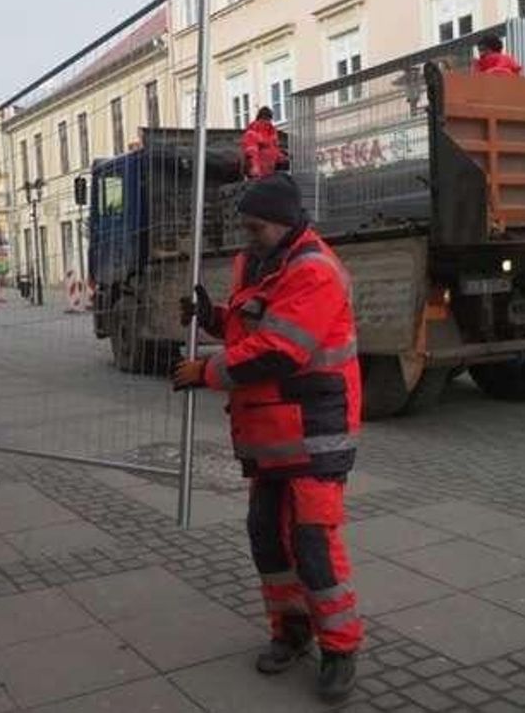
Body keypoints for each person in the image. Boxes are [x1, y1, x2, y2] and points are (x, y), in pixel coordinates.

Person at [172, 173, 362, 703]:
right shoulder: (259, 260)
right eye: (247, 226)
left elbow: (281, 349)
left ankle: (340, 649)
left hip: (315, 429)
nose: (247, 235)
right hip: (271, 431)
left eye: (256, 227)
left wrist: (206, 372)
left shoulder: (315, 270)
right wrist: (212, 317)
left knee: (312, 543)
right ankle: (292, 631)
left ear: (284, 222)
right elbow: (250, 326)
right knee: (266, 534)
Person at [240, 107, 289, 180]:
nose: (268, 122)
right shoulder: (253, 131)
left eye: (269, 119)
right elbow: (251, 152)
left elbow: (274, 149)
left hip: (269, 170)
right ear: (260, 118)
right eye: (265, 119)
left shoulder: (271, 132)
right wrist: (254, 167)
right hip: (258, 172)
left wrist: (282, 157)